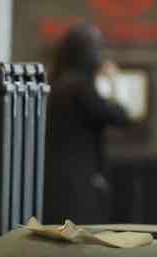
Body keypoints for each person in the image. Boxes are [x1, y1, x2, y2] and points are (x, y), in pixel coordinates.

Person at [43, 22, 136, 222]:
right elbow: (122, 116)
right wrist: (114, 82)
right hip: (76, 184)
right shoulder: (80, 87)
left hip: (54, 180)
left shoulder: (57, 84)